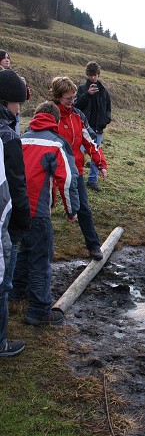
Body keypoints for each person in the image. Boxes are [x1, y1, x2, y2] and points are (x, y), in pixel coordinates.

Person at [10, 102, 80, 325]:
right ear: (56, 121)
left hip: (14, 209)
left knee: (22, 251)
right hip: (37, 212)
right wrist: (72, 210)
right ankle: (39, 310)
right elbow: (68, 180)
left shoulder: (19, 139)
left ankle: (16, 290)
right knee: (41, 258)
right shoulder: (57, 144)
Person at [49, 76, 108, 261]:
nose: (72, 102)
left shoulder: (78, 116)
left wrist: (100, 163)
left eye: (74, 98)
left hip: (75, 169)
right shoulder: (49, 115)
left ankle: (94, 246)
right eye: (68, 98)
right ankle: (39, 248)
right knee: (45, 208)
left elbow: (90, 141)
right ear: (58, 96)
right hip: (50, 169)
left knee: (84, 208)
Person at [0, 70, 31, 356]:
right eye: (17, 103)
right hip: (4, 220)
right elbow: (17, 185)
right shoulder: (8, 137)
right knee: (2, 280)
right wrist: (23, 221)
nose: (19, 109)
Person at [74, 61, 111, 192]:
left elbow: (108, 108)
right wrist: (87, 94)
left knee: (97, 154)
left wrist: (106, 119)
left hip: (98, 128)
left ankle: (92, 180)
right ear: (87, 75)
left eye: (95, 75)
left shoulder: (104, 91)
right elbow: (76, 106)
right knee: (79, 153)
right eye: (90, 75)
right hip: (83, 128)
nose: (93, 78)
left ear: (98, 74)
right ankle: (76, 177)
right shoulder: (82, 89)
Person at [0, 50, 31, 136]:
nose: (7, 60)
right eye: (4, 58)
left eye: (8, 58)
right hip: (4, 114)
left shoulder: (14, 76)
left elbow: (26, 96)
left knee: (14, 134)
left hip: (14, 113)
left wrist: (23, 85)